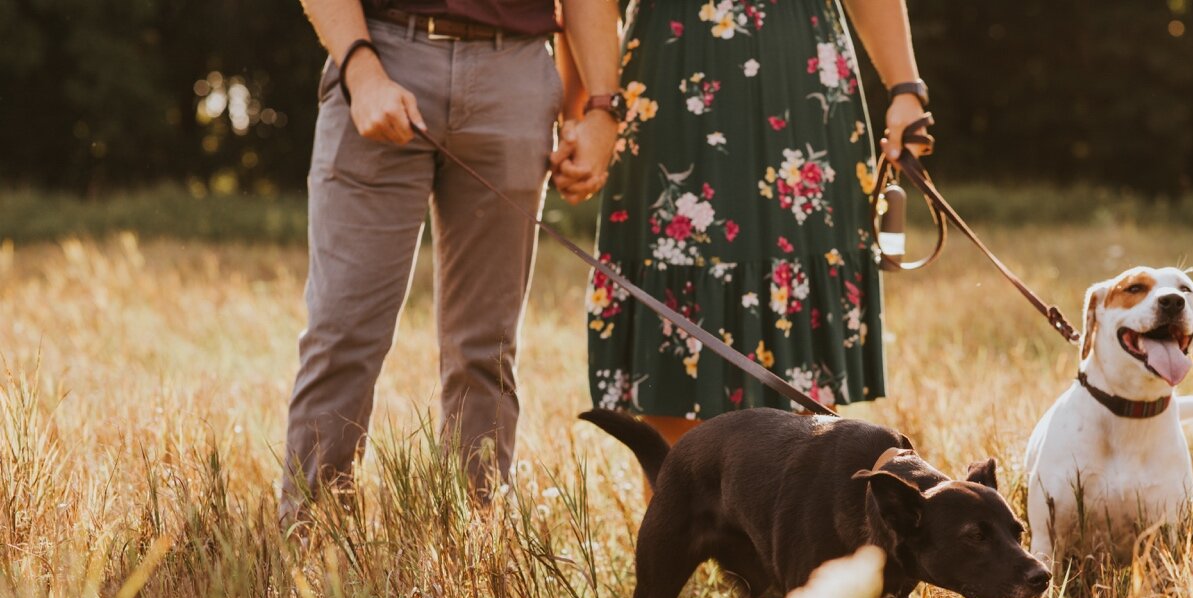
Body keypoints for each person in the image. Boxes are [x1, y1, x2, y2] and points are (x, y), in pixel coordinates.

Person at [282, 0, 621, 521]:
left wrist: (598, 108)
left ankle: (472, 538)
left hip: (514, 69)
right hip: (383, 47)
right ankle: (311, 541)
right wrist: (361, 69)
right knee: (343, 331)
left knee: (487, 346)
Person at [554, 0, 930, 446]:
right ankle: (683, 510)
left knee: (799, 393)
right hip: (669, 82)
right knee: (673, 385)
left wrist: (906, 88)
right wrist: (583, 114)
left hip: (800, 83)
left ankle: (780, 508)